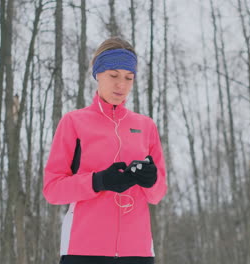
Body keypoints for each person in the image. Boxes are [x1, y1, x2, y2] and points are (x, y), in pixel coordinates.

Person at [43, 37, 167, 264]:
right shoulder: (74, 122)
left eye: (129, 78)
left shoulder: (146, 126)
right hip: (83, 250)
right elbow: (52, 190)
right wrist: (98, 181)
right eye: (113, 75)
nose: (121, 84)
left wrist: (151, 181)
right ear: (97, 74)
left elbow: (158, 194)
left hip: (137, 252)